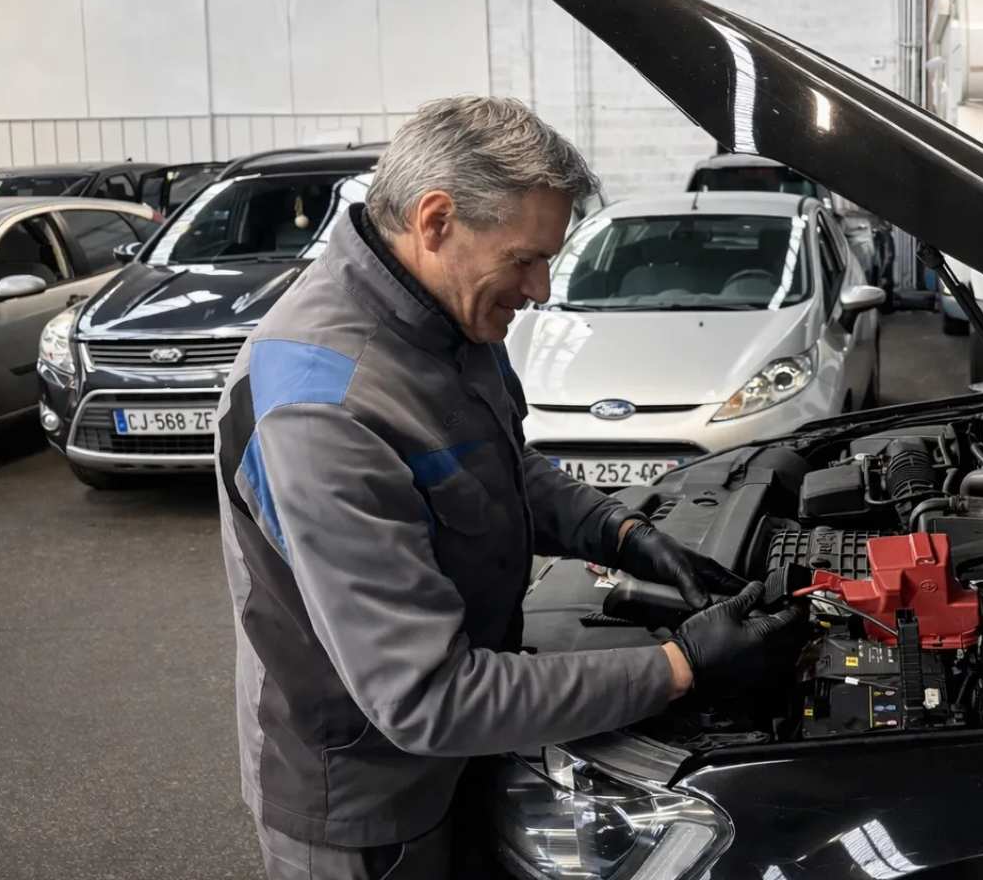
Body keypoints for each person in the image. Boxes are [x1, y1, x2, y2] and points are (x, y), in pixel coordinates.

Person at [214, 97, 807, 879]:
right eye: (525, 259)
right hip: (367, 808)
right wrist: (681, 664)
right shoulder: (321, 409)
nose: (541, 287)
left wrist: (625, 536)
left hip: (466, 758)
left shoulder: (447, 314)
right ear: (436, 221)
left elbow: (498, 463)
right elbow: (429, 698)